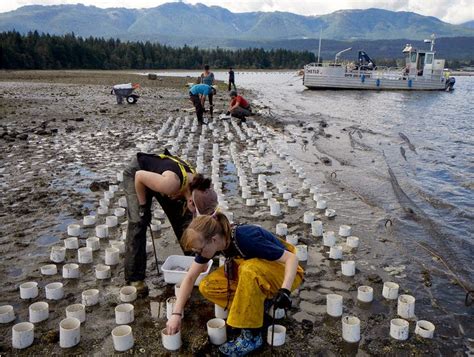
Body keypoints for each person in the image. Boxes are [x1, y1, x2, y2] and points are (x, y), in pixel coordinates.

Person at [166, 213, 304, 356]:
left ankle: (252, 336)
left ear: (213, 240)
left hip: (284, 272)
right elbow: (190, 277)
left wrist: (285, 291)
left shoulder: (246, 238)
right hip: (257, 271)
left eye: (199, 250)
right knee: (207, 285)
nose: (198, 254)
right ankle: (257, 308)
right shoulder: (215, 240)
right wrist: (176, 314)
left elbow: (292, 259)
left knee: (248, 269)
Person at [123, 150, 218, 296]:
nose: (195, 213)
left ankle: (196, 260)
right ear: (191, 200)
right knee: (138, 222)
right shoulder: (171, 184)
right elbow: (139, 176)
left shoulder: (197, 185)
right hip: (138, 174)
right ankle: (134, 278)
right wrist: (143, 207)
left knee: (184, 219)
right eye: (196, 210)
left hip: (163, 177)